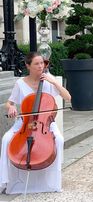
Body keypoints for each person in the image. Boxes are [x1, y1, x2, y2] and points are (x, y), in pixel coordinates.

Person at [0, 52, 71, 194]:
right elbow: (9, 103)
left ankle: (52, 182)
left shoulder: (49, 81)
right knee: (7, 139)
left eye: (42, 63)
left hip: (45, 123)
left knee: (59, 140)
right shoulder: (20, 83)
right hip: (24, 123)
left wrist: (54, 82)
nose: (40, 66)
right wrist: (12, 107)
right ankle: (7, 181)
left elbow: (68, 97)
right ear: (28, 66)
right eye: (36, 64)